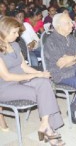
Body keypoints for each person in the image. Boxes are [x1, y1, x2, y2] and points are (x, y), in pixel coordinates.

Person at [0, 17, 65, 145]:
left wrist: (39, 73)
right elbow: (7, 76)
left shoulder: (15, 45)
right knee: (45, 94)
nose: (17, 35)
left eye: (17, 32)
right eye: (14, 32)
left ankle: (45, 124)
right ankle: (49, 131)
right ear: (3, 32)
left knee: (45, 83)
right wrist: (31, 76)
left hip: (21, 80)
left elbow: (23, 66)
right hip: (5, 87)